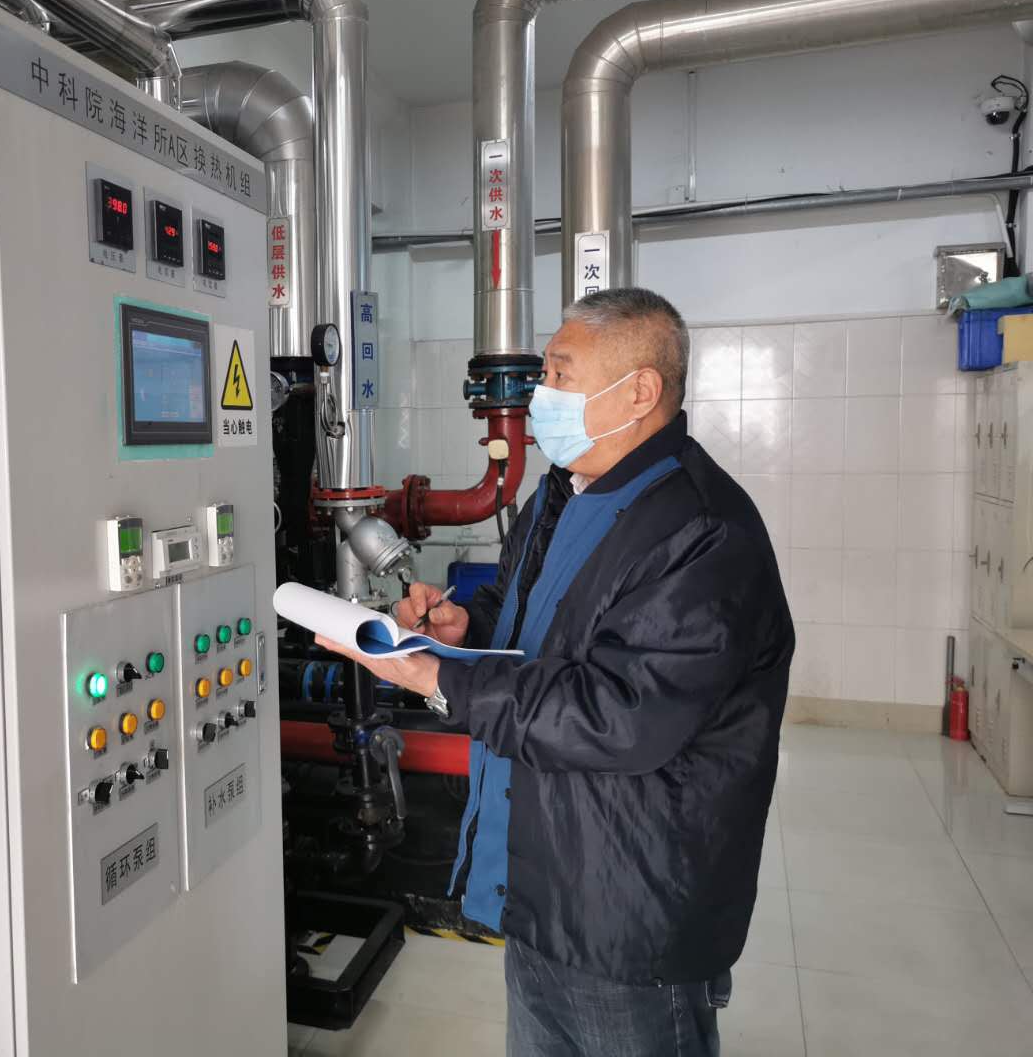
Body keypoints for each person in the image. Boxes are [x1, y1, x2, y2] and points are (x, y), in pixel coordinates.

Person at [317, 287, 794, 1056]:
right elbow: (524, 611)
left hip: (629, 915)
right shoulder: (563, 491)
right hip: (542, 880)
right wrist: (465, 628)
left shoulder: (704, 532)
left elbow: (617, 717)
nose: (541, 395)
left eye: (560, 375)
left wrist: (438, 678)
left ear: (640, 391)